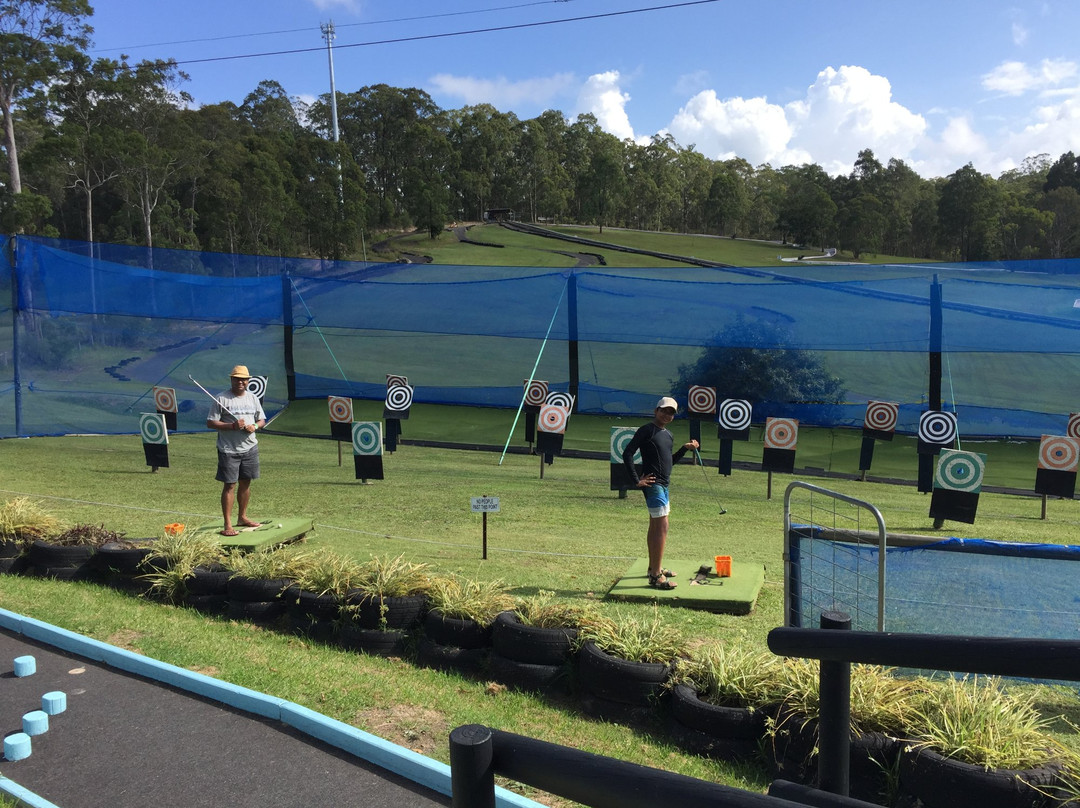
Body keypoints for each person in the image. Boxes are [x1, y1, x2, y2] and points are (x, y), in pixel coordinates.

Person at [622, 396, 699, 590]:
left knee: (656, 526)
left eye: (671, 412)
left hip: (664, 485)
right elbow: (628, 453)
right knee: (662, 527)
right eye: (664, 410)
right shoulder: (647, 430)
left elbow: (669, 462)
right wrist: (636, 480)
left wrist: (684, 449)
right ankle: (656, 576)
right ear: (656, 410)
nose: (667, 415)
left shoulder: (669, 435)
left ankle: (653, 568)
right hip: (653, 485)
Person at [206, 365, 266, 537]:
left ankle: (242, 517)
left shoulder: (253, 398)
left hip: (250, 447)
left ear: (248, 381)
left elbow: (261, 420)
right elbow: (210, 422)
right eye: (237, 379)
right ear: (231, 379)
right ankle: (228, 524)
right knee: (230, 485)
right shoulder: (221, 399)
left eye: (243, 379)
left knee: (246, 482)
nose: (240, 382)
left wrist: (254, 426)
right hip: (228, 449)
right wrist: (232, 426)